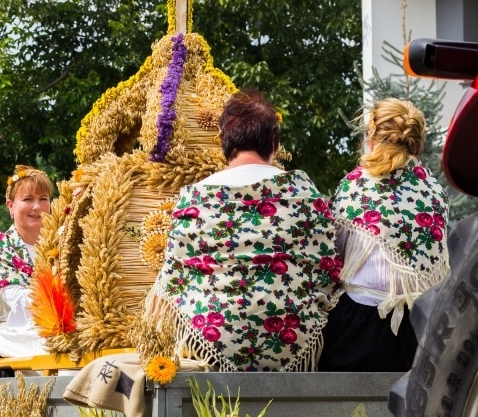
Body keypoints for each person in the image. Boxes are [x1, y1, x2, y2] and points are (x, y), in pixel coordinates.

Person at [142, 89, 342, 372]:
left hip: (211, 339)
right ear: (274, 141)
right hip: (293, 336)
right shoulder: (307, 196)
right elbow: (329, 272)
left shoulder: (196, 198)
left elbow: (175, 276)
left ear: (225, 142)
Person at [318, 98, 449, 372]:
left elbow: (332, 255)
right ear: (417, 142)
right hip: (419, 329)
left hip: (358, 328)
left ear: (372, 137)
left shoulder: (355, 185)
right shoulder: (435, 192)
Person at [0, 165, 53, 377]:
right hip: (11, 336)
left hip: (53, 330)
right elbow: (17, 302)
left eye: (43, 199)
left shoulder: (61, 243)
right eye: (28, 199)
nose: (37, 206)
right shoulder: (1, 249)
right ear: (10, 206)